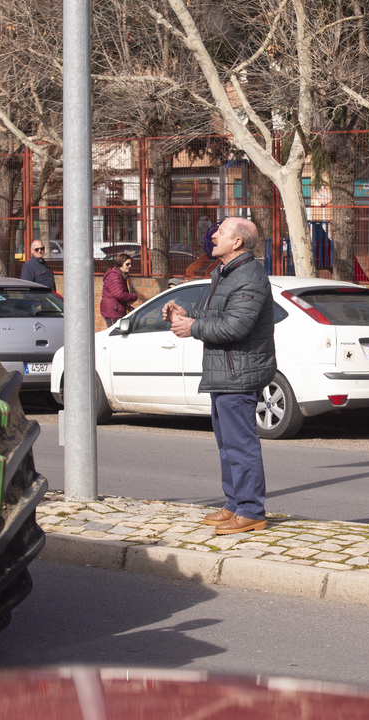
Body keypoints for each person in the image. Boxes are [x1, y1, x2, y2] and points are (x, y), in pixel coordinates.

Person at [163, 217, 276, 535]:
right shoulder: (224, 273)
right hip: (224, 371)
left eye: (222, 232)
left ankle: (251, 510)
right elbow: (217, 316)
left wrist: (192, 328)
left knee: (241, 444)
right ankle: (235, 504)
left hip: (238, 373)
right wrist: (187, 314)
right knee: (227, 445)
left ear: (237, 242)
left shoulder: (249, 276)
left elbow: (235, 326)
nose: (214, 235)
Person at [100, 253, 138, 327]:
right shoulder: (114, 276)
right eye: (127, 264)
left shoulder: (122, 276)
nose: (130, 266)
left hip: (117, 310)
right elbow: (119, 294)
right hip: (114, 312)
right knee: (115, 335)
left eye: (130, 264)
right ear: (121, 264)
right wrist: (133, 296)